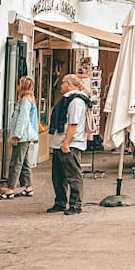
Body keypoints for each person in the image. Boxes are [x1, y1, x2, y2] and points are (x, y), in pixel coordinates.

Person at [47, 73, 89, 214]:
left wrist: (66, 143)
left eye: (63, 82)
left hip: (70, 144)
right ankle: (60, 202)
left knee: (73, 175)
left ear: (70, 85)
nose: (61, 85)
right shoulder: (67, 100)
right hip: (59, 143)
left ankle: (75, 204)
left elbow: (73, 124)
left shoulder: (76, 101)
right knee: (58, 176)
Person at [0, 74, 38, 199]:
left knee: (16, 162)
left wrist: (16, 135)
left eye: (19, 84)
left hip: (23, 136)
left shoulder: (25, 101)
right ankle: (28, 186)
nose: (17, 86)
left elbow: (22, 119)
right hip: (26, 135)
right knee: (24, 162)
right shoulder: (29, 99)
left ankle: (11, 188)